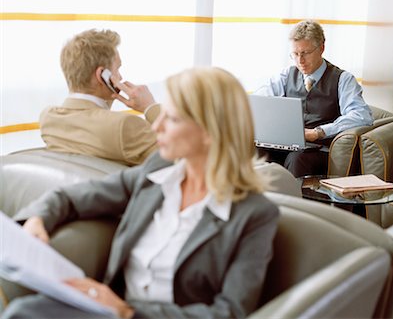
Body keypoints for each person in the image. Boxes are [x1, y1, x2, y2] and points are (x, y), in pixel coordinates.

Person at [3, 67, 280, 319]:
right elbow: (71, 197)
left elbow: (230, 312)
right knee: (22, 312)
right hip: (108, 310)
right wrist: (39, 218)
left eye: (170, 119)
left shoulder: (254, 214)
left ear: (209, 131)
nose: (156, 126)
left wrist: (127, 311)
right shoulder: (158, 172)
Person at [255, 19, 373, 177]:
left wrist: (319, 132)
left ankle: (293, 203)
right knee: (253, 153)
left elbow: (362, 116)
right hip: (287, 145)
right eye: (295, 54)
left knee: (297, 159)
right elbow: (260, 102)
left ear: (321, 48)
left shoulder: (343, 79)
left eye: (305, 53)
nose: (300, 61)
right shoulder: (285, 75)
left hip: (319, 150)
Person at [39, 29, 159, 166]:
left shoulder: (48, 119)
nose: (120, 77)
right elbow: (182, 155)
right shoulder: (124, 126)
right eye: (117, 69)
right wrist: (150, 106)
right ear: (102, 75)